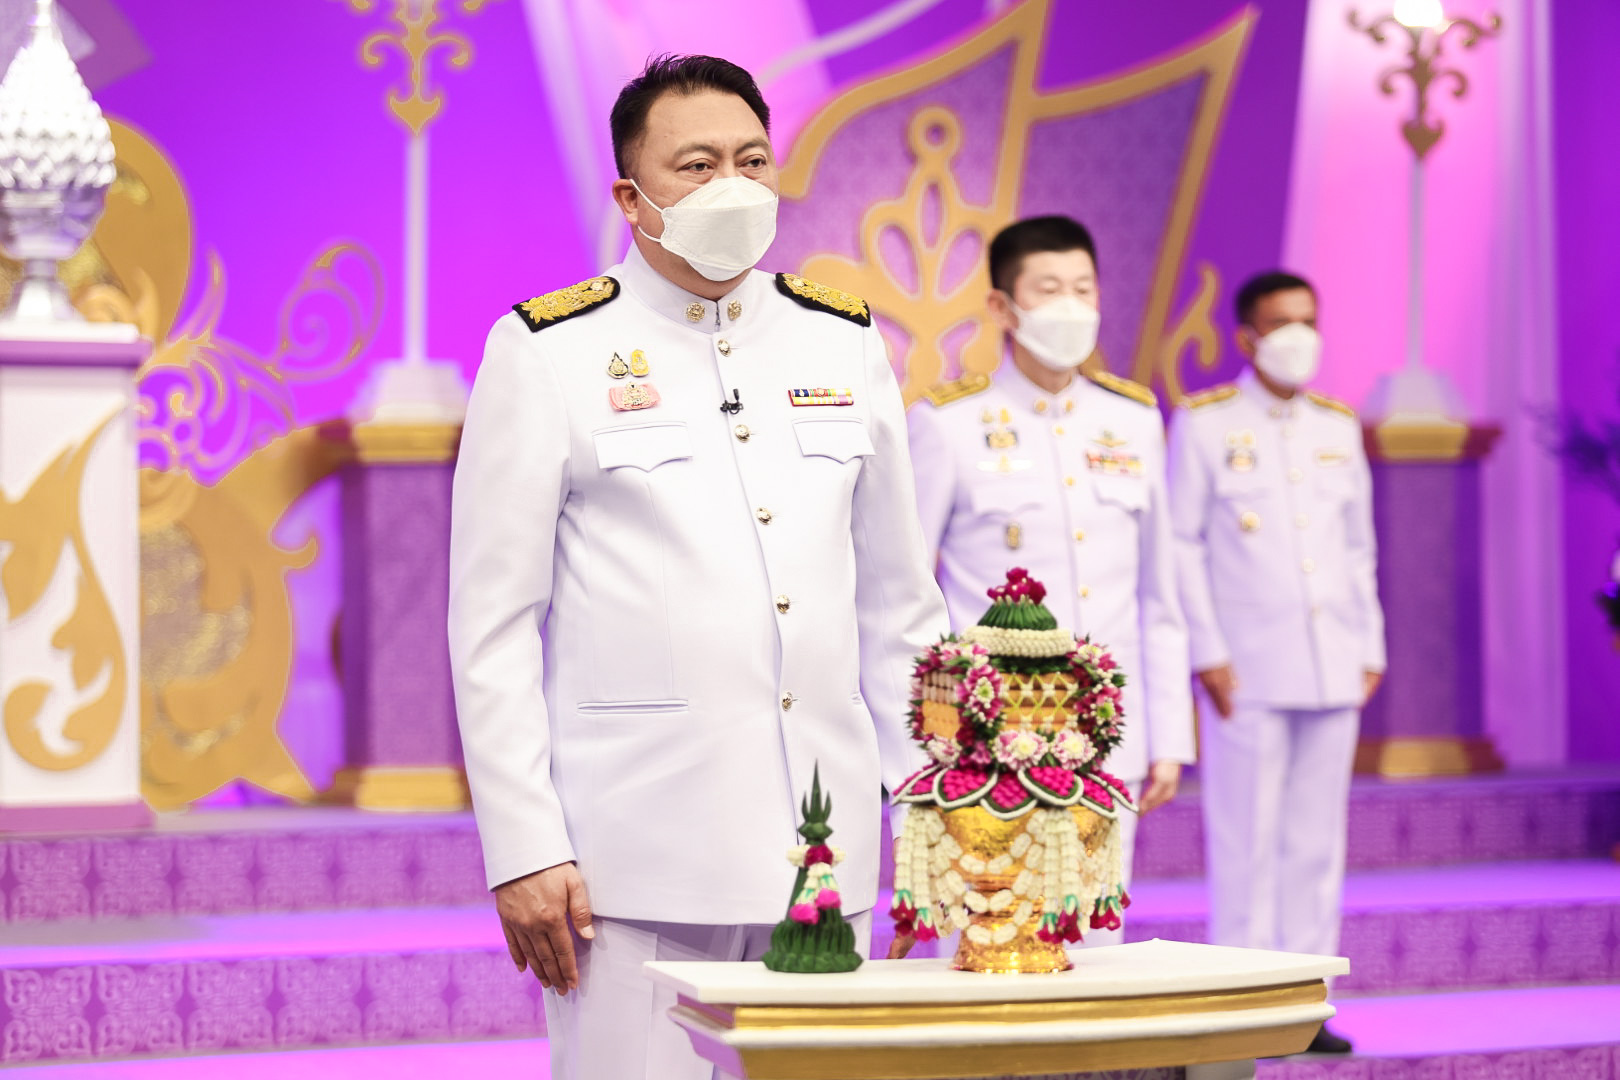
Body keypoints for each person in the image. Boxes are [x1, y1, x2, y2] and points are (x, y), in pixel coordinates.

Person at [447, 54, 948, 1080]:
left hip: (827, 855)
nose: (733, 184)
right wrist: (526, 845)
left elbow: (903, 607)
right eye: (698, 164)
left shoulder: (841, 341)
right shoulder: (547, 351)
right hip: (632, 866)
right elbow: (492, 628)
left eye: (752, 160)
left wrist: (938, 811)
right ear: (631, 198)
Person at [906, 216, 1195, 944]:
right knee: (983, 937)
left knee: (1095, 940)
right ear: (1002, 307)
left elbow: (1159, 595)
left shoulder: (1133, 420)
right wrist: (928, 739)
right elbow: (906, 594)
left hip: (1107, 735)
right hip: (987, 742)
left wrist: (1168, 733)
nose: (1071, 306)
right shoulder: (948, 422)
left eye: (1083, 288)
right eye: (1048, 289)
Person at [1166, 270, 1385, 1054]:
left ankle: (1306, 1006)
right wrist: (1209, 653)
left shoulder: (1336, 426)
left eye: (1309, 321)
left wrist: (1370, 646)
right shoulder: (1206, 424)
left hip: (1332, 663)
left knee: (1316, 843)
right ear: (1248, 337)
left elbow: (1357, 549)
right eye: (1282, 322)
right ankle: (1245, 1007)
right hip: (1245, 669)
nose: (1299, 337)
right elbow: (1182, 545)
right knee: (1246, 841)